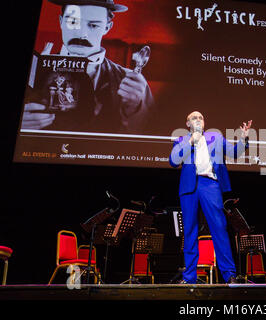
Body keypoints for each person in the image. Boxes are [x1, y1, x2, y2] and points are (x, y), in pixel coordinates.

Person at [21, 0, 154, 133]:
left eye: (93, 25)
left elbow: (151, 133)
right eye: (72, 22)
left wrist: (135, 108)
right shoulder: (31, 70)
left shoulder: (131, 82)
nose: (81, 34)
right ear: (61, 21)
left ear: (107, 27)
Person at [169, 111, 252, 284]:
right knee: (190, 231)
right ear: (188, 124)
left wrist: (244, 138)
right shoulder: (182, 139)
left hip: (210, 184)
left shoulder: (216, 136)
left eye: (201, 118)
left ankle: (229, 274)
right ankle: (190, 277)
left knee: (219, 229)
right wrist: (192, 140)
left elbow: (234, 153)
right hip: (189, 186)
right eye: (194, 118)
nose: (198, 120)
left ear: (204, 123)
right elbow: (173, 161)